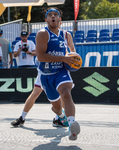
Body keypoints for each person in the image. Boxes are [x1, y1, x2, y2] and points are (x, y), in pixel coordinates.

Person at [10, 21, 74, 128]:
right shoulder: (44, 34)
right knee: (35, 93)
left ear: (60, 22)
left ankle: (59, 118)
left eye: (57, 20)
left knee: (62, 94)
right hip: (44, 70)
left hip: (58, 69)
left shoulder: (64, 35)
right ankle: (22, 117)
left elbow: (69, 51)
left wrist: (68, 58)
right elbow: (40, 55)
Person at [35, 7, 80, 141]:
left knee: (66, 93)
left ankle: (72, 127)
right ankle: (61, 117)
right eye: (50, 15)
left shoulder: (67, 35)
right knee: (56, 107)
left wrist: (73, 59)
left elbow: (73, 52)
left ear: (60, 19)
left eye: (56, 15)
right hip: (46, 74)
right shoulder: (43, 33)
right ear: (46, 19)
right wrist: (63, 58)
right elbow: (41, 57)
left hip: (61, 71)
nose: (53, 16)